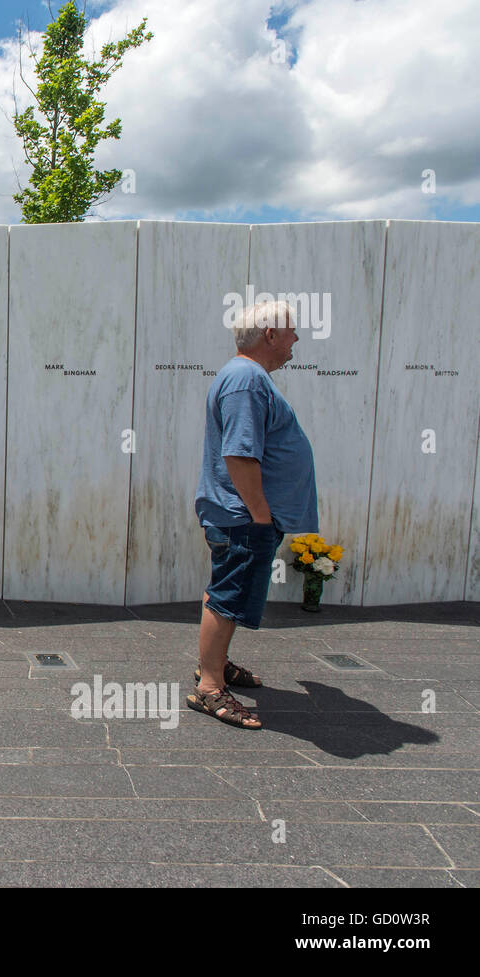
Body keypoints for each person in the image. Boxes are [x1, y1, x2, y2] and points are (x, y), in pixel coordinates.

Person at [190, 299, 318, 729]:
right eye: (292, 331)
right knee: (230, 597)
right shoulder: (246, 379)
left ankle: (216, 664)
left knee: (226, 589)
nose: (296, 338)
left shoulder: (246, 376)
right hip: (244, 517)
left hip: (240, 515)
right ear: (270, 334)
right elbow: (239, 455)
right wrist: (261, 516)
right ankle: (209, 688)